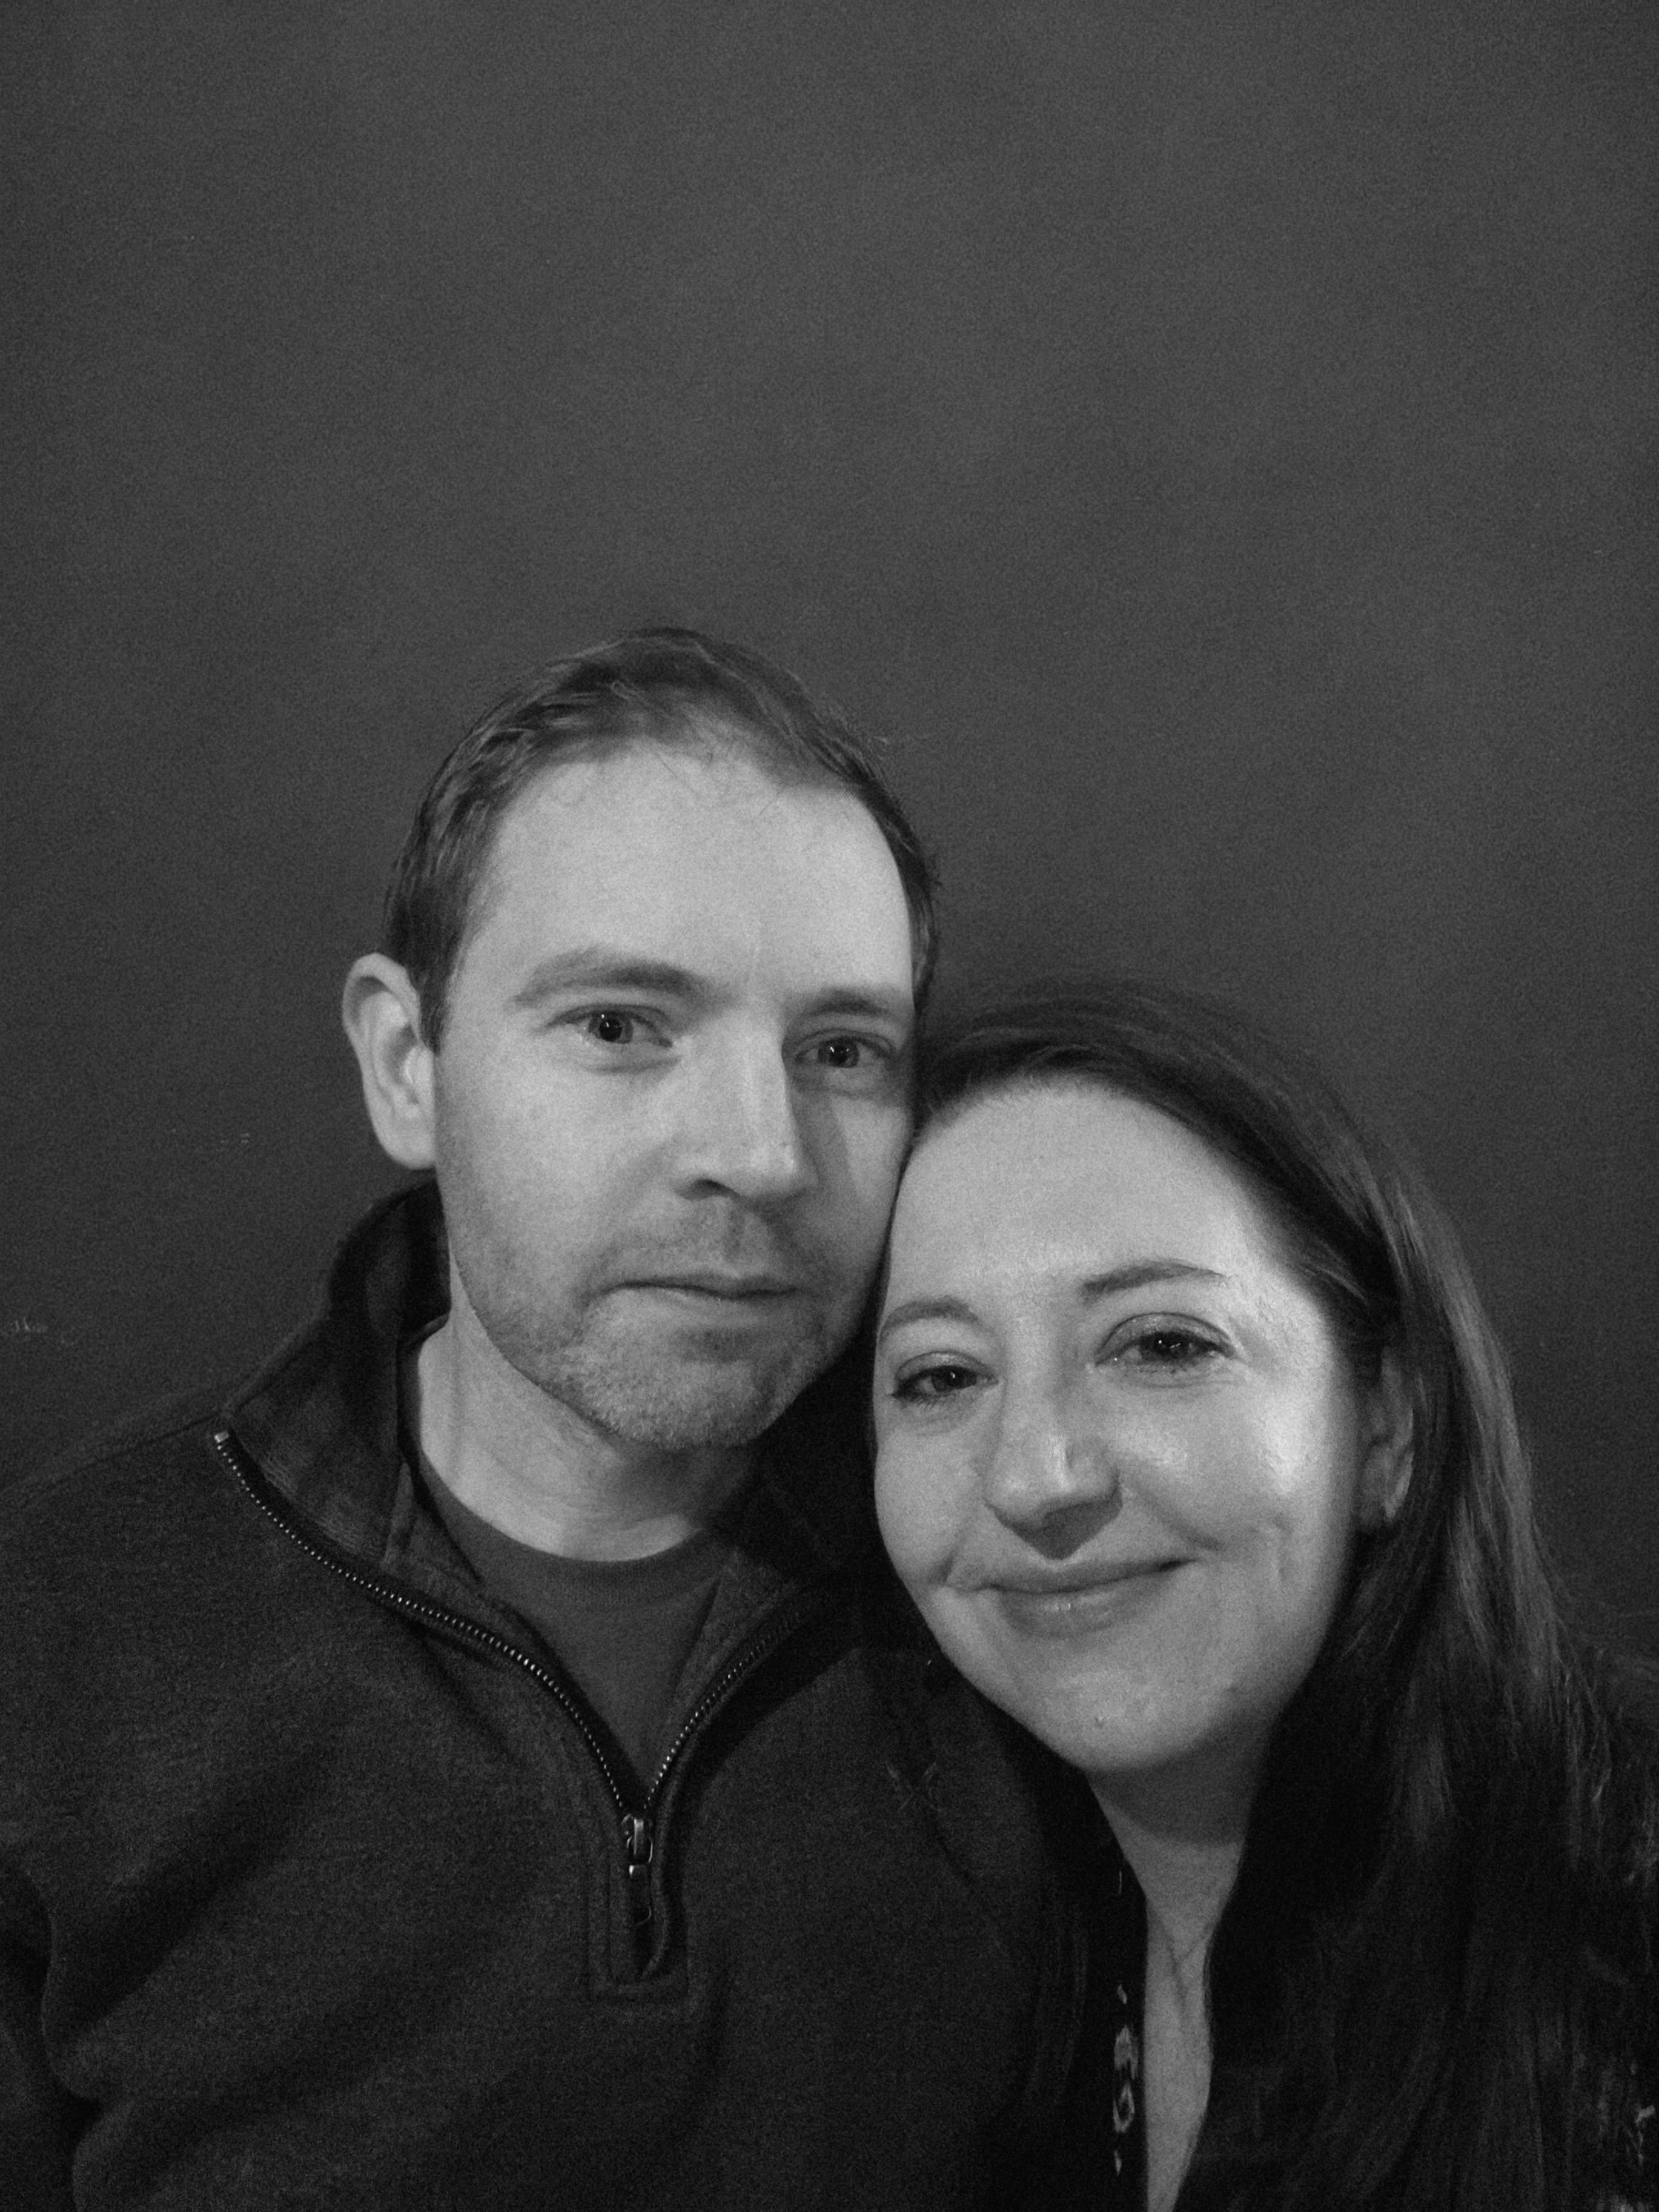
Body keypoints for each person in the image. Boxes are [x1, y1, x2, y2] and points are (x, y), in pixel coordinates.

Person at [0, 631, 1096, 2210]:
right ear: (408, 1065)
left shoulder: (1033, 1589)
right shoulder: (56, 1635)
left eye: (841, 1051)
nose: (763, 1154)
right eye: (621, 1026)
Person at [872, 979, 1659, 2212]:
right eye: (940, 1376)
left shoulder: (1622, 1923)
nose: (1036, 1478)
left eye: (1162, 1345)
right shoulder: (972, 1965)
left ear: (1386, 1428)